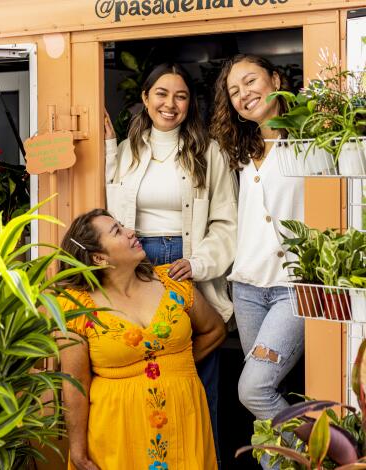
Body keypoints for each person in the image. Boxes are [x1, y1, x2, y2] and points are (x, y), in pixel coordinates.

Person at [104, 62, 238, 463]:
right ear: (145, 99)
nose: (170, 103)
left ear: (189, 104)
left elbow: (227, 222)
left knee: (197, 379)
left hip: (185, 264)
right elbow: (109, 212)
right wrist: (108, 150)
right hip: (136, 265)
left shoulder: (208, 151)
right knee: (141, 370)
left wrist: (197, 264)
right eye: (161, 93)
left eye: (180, 96)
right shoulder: (126, 152)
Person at [57, 208, 226, 470]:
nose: (130, 232)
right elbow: (75, 385)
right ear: (99, 257)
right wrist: (78, 452)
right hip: (117, 433)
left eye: (122, 226)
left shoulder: (172, 282)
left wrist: (173, 368)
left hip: (182, 422)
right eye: (117, 231)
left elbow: (214, 330)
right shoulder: (77, 308)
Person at [210, 54, 305, 468]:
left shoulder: (308, 138)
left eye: (251, 81)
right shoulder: (239, 150)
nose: (244, 94)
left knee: (254, 389)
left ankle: (314, 459)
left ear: (276, 78)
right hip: (247, 288)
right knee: (258, 401)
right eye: (234, 91)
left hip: (293, 288)